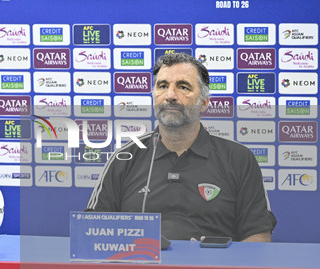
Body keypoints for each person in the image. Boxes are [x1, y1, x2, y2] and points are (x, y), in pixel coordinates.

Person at [87, 53, 276, 241]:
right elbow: (91, 231)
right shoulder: (124, 157)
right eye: (162, 86)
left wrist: (218, 257)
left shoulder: (239, 159)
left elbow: (258, 236)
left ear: (204, 102)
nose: (170, 96)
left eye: (183, 87)